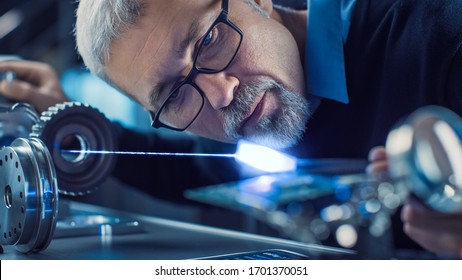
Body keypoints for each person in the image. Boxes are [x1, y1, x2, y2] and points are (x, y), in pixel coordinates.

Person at [1, 0, 462, 258]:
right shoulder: (259, 132)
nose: (219, 95)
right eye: (173, 95)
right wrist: (69, 124)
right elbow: (187, 171)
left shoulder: (441, 33)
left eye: (209, 41)